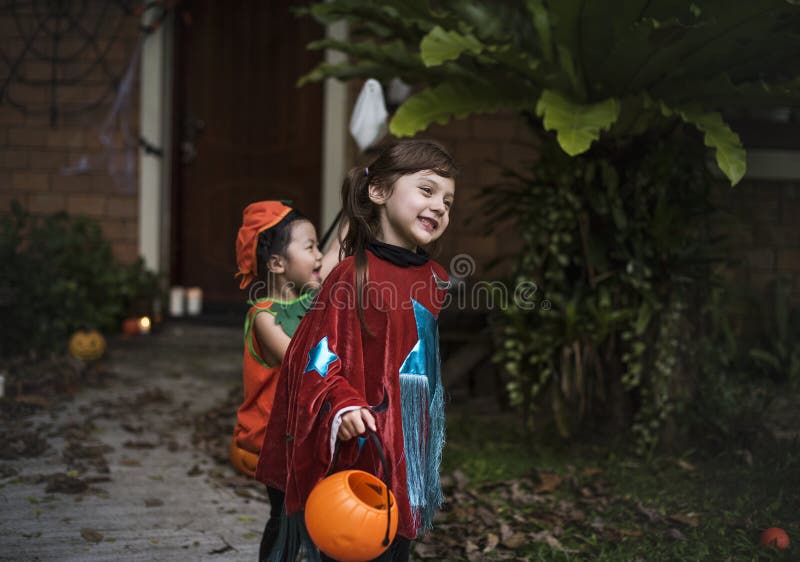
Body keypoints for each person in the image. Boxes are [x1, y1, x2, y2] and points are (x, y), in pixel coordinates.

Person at [257, 139, 457, 562]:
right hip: (359, 442)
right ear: (379, 192)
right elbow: (314, 354)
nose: (439, 206)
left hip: (405, 448)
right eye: (426, 190)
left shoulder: (435, 280)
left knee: (392, 541)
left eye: (448, 200)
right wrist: (342, 405)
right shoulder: (352, 275)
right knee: (348, 544)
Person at [229, 201, 342, 558]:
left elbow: (335, 252)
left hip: (307, 432)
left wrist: (355, 206)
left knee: (316, 511)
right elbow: (301, 360)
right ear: (278, 264)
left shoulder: (312, 298)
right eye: (309, 248)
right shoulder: (264, 315)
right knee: (285, 513)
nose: (319, 257)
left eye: (316, 247)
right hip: (278, 438)